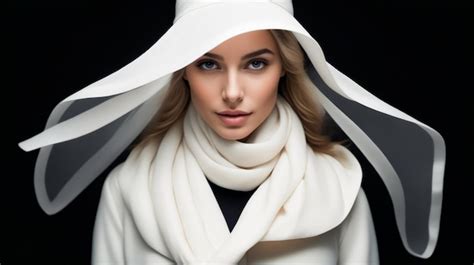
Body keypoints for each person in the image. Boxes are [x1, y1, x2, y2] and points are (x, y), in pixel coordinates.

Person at [17, 0, 446, 264]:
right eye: (208, 64)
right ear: (182, 71)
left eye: (256, 63)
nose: (233, 92)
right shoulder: (130, 188)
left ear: (285, 70)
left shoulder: (337, 189)